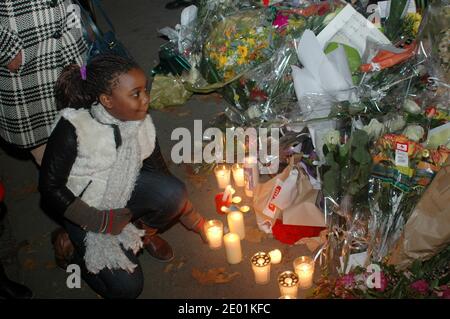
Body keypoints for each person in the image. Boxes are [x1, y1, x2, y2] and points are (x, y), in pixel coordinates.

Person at [39, 54, 207, 299]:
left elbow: (158, 172)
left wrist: (193, 217)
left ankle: (142, 233)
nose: (146, 99)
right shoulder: (73, 128)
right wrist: (99, 221)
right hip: (86, 209)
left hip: (125, 189)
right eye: (136, 93)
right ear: (107, 100)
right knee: (127, 288)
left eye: (145, 90)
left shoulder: (138, 120)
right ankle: (74, 252)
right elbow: (50, 187)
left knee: (173, 192)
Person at [0, 0, 87, 166]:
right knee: (52, 155)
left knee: (89, 127)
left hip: (69, 33)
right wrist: (6, 49)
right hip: (26, 56)